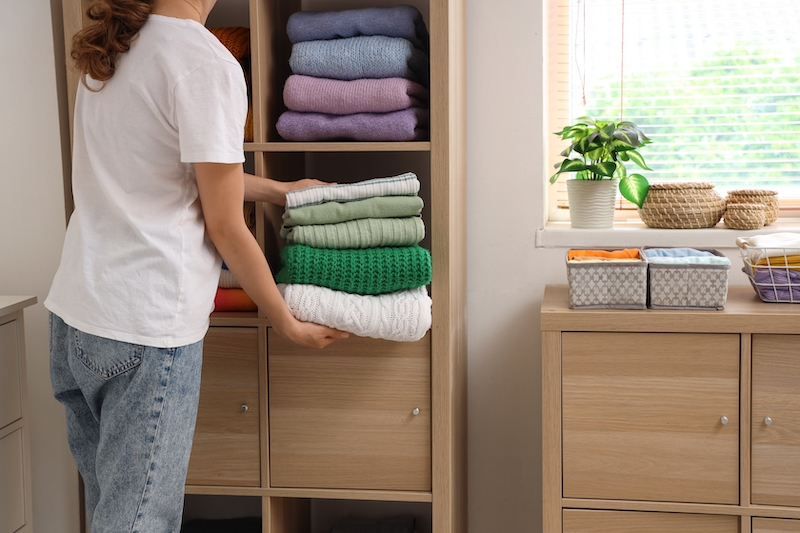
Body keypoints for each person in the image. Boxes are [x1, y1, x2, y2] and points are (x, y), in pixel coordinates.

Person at [45, 0, 348, 531]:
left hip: (76, 317)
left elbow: (172, 171)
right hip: (144, 327)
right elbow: (226, 225)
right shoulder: (204, 62)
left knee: (109, 515)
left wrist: (278, 189)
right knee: (139, 523)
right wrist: (287, 321)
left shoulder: (113, 47)